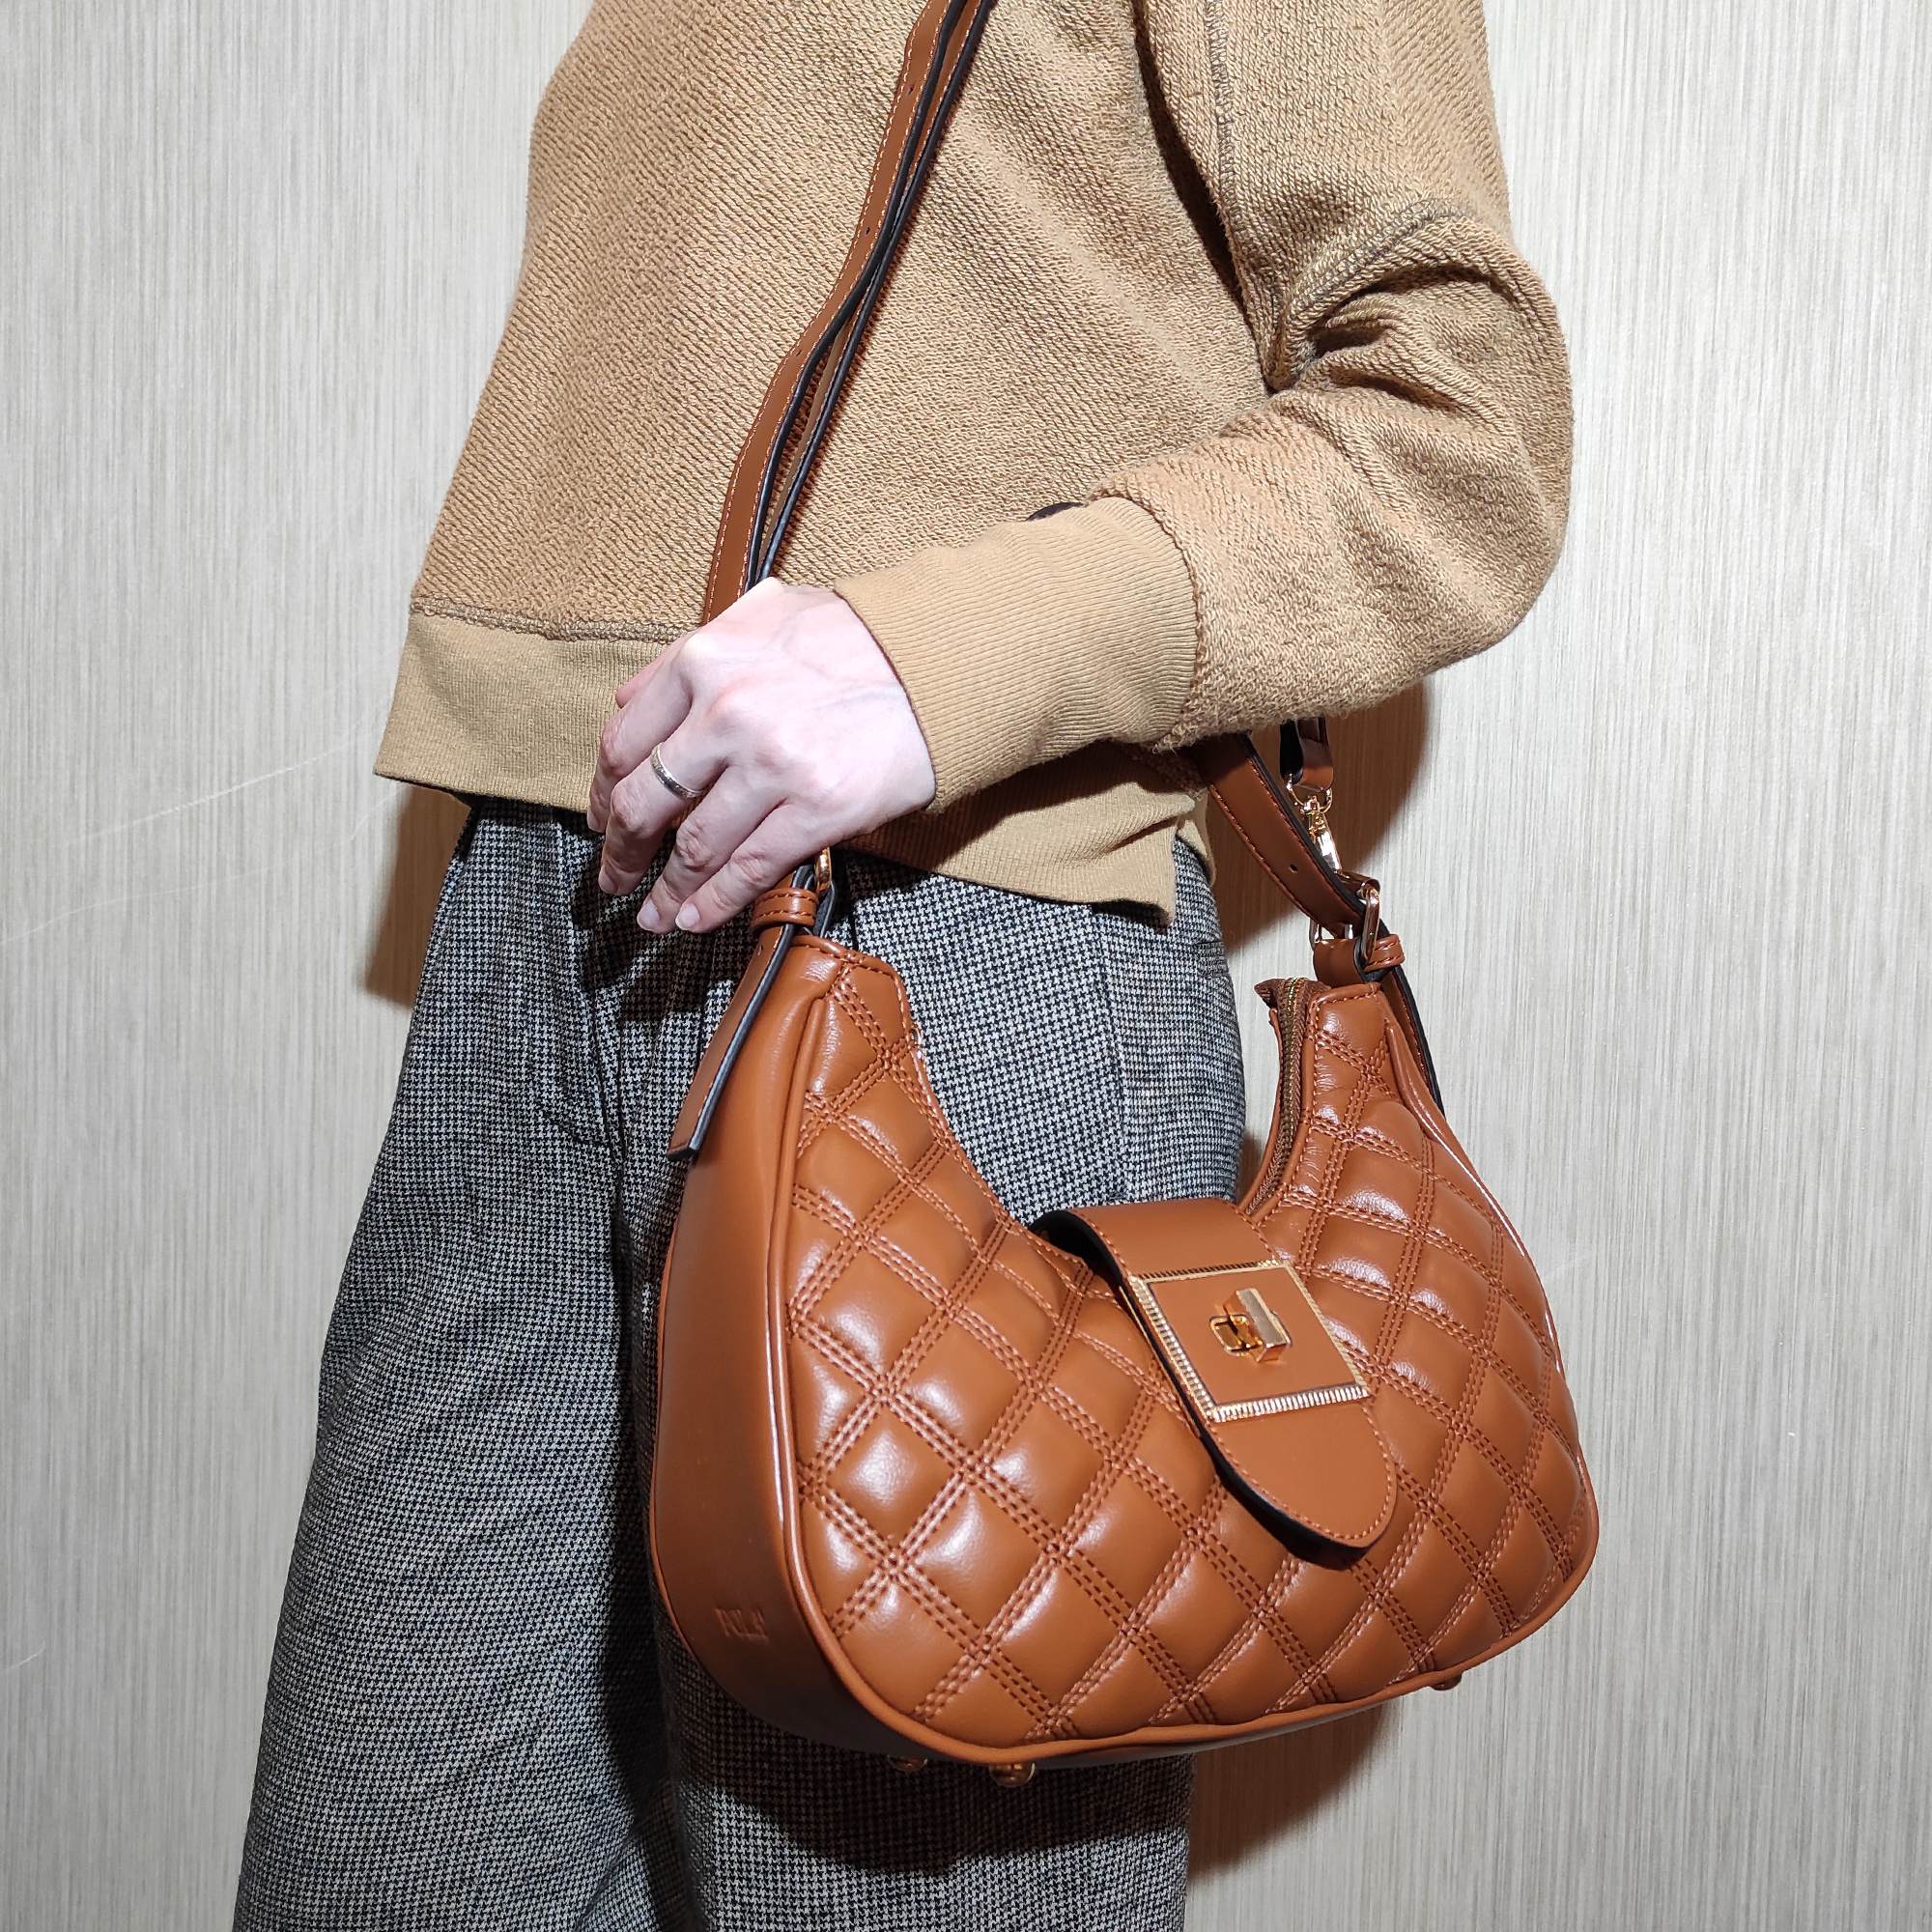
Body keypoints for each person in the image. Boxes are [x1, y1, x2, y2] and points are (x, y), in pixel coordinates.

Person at [233, 0, 1571, 1926]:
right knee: (379, 1872)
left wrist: (930, 657)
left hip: (960, 952)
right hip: (537, 919)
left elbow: (1461, 432)